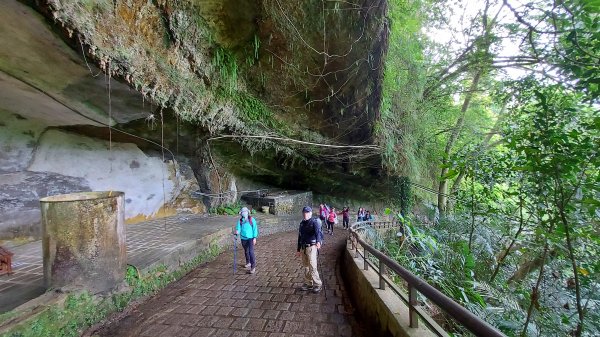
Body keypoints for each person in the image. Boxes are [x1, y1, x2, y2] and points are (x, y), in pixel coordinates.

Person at [297, 206, 323, 293]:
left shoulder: (314, 222)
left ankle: (318, 284)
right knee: (306, 266)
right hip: (304, 247)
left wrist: (318, 241)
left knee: (312, 266)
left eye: (307, 212)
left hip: (312, 247)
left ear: (311, 213)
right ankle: (309, 283)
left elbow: (318, 233)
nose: (305, 214)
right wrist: (298, 249)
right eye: (304, 212)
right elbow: (300, 237)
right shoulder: (302, 224)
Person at [235, 207, 258, 274]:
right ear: (241, 213)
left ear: (248, 212)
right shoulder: (240, 221)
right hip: (243, 238)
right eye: (243, 212)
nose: (244, 213)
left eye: (245, 212)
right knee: (246, 251)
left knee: (251, 252)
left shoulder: (251, 219)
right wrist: (237, 232)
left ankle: (253, 267)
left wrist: (254, 237)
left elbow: (255, 229)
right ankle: (248, 262)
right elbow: (238, 229)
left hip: (250, 238)